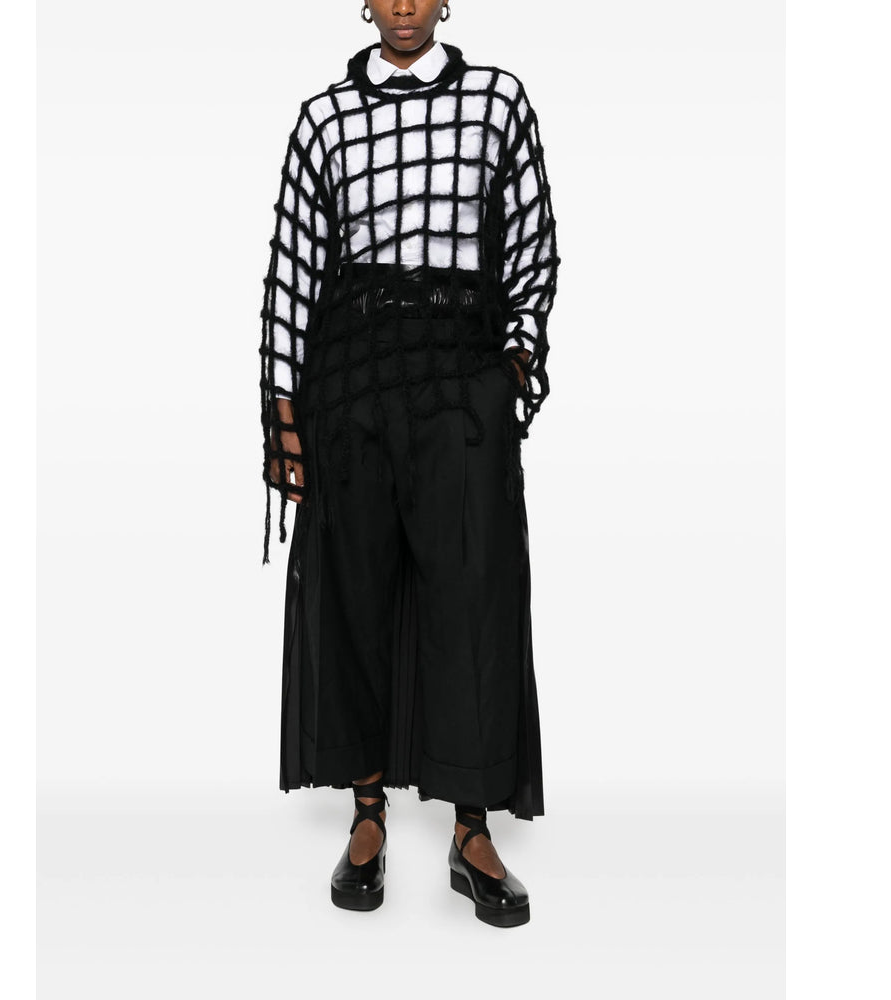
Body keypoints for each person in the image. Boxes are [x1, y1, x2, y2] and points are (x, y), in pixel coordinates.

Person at [258, 0, 560, 928]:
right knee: (354, 591)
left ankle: (472, 829)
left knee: (472, 595)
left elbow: (533, 246)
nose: (402, 6)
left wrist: (512, 365)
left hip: (460, 375)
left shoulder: (497, 102)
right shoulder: (325, 119)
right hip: (352, 377)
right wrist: (283, 408)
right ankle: (367, 815)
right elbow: (295, 268)